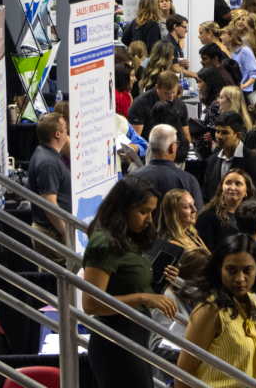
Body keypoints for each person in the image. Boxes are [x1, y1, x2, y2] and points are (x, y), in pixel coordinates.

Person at [81, 177, 176, 388]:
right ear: (122, 208)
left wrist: (162, 283)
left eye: (152, 211)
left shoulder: (128, 235)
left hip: (133, 336)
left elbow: (128, 280)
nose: (150, 219)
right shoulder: (104, 244)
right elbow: (90, 304)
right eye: (143, 211)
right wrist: (143, 298)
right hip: (115, 343)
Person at [175, 234, 256, 388]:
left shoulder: (249, 300)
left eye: (247, 270)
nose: (240, 278)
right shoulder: (210, 310)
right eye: (231, 270)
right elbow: (182, 376)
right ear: (219, 268)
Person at [26, 112, 73, 266]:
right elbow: (49, 204)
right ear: (57, 134)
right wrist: (65, 233)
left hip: (54, 232)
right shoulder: (48, 163)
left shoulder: (48, 154)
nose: (68, 132)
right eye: (65, 129)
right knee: (56, 285)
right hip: (53, 234)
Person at [136, 126, 204, 208]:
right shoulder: (189, 180)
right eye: (176, 143)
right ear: (172, 147)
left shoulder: (133, 178)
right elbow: (198, 214)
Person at [195, 168, 256, 249]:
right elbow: (203, 252)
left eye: (238, 184)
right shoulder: (207, 216)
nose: (232, 188)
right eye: (228, 183)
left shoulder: (255, 215)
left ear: (247, 190)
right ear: (222, 188)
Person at [159, 188, 208, 252]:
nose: (195, 210)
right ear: (174, 213)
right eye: (187, 207)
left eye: (193, 204)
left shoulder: (192, 236)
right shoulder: (172, 244)